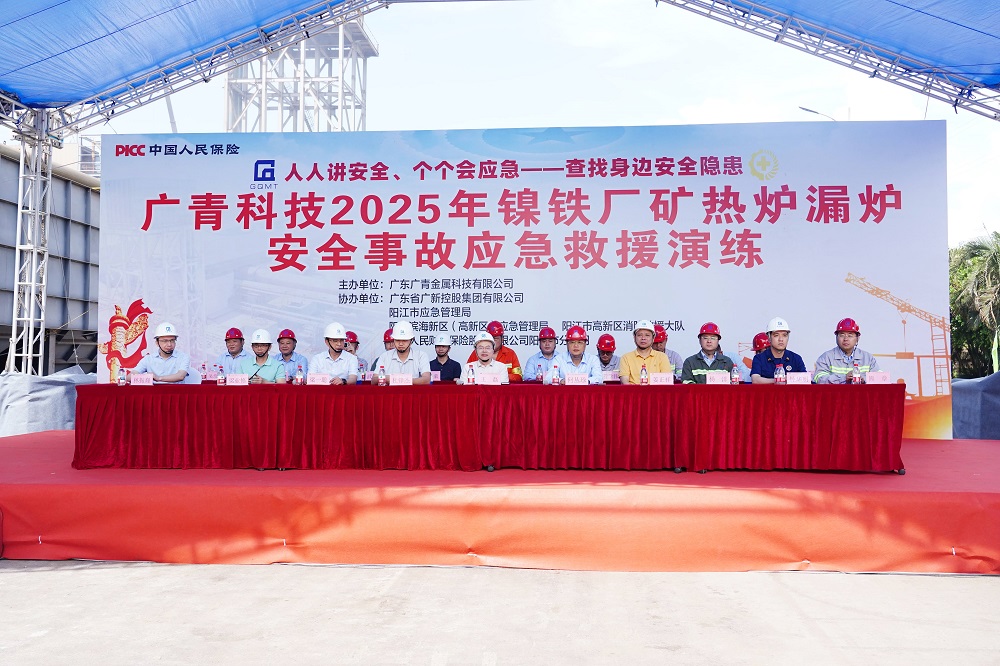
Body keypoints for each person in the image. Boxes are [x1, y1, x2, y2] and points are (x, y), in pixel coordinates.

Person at [814, 318, 881, 384]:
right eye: (842, 335)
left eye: (850, 335)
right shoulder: (826, 357)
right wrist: (843, 378)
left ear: (857, 338)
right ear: (836, 337)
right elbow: (819, 379)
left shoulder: (868, 358)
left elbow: (879, 379)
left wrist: (863, 379)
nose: (846, 339)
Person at [372, 320, 431, 384]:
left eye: (404, 340)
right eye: (397, 340)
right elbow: (373, 380)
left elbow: (426, 379)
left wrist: (398, 380)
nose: (400, 344)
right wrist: (387, 378)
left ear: (411, 340)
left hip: (412, 391)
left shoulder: (421, 356)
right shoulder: (384, 356)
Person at [751, 316, 807, 383]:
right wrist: (777, 380)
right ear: (769, 338)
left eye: (784, 335)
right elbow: (755, 379)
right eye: (776, 335)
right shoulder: (759, 358)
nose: (781, 339)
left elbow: (805, 380)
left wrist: (790, 379)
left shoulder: (796, 358)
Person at [619, 320, 674, 384]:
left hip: (656, 390)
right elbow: (625, 381)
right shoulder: (626, 358)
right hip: (633, 390)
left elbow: (667, 382)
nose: (643, 338)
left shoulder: (662, 357)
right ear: (634, 338)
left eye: (647, 335)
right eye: (639, 335)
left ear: (653, 338)